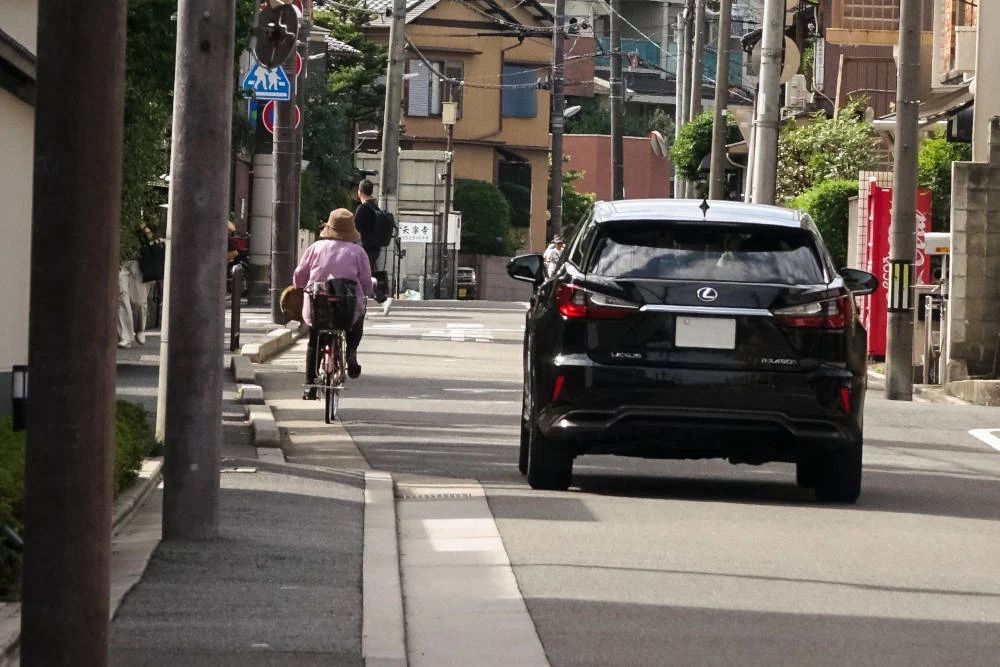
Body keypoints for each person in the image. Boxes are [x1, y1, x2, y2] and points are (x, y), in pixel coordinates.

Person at [294, 209, 375, 400]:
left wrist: (300, 286)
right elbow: (365, 282)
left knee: (314, 340)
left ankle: (310, 386)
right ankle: (351, 353)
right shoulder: (358, 252)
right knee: (358, 315)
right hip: (346, 309)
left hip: (318, 307)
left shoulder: (315, 248)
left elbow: (299, 275)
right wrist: (369, 290)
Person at [354, 179, 393, 315]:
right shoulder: (375, 207)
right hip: (375, 248)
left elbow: (354, 228)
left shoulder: (363, 208)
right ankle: (362, 304)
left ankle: (382, 299)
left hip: (365, 249)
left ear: (360, 192)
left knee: (362, 276)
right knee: (365, 275)